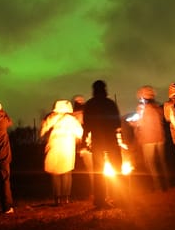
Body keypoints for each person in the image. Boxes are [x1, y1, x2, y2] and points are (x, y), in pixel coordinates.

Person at [82, 79, 123, 210]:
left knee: (98, 171)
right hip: (110, 140)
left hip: (98, 141)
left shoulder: (90, 104)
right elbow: (117, 124)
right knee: (117, 168)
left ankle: (99, 200)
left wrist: (85, 140)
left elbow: (86, 125)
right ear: (104, 89)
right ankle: (119, 197)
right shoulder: (109, 103)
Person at [40, 99, 85, 205]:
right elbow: (80, 133)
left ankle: (57, 199)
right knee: (67, 173)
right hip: (67, 148)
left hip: (54, 148)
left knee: (55, 173)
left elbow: (42, 131)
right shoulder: (71, 120)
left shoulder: (51, 118)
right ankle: (66, 198)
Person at [131, 85, 170, 192]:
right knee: (162, 162)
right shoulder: (157, 106)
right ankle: (167, 184)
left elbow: (140, 123)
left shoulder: (142, 108)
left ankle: (158, 187)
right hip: (160, 137)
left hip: (148, 139)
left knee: (151, 164)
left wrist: (132, 124)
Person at [71, 94, 93, 200]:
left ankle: (92, 191)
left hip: (84, 146)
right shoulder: (86, 114)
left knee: (90, 169)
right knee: (90, 169)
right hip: (84, 145)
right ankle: (91, 191)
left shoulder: (74, 117)